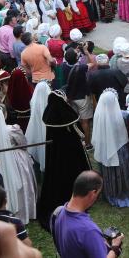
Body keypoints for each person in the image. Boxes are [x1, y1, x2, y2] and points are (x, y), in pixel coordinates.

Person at [37, 90, 91, 230]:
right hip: (69, 153)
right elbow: (78, 132)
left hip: (55, 154)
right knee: (71, 174)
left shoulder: (50, 115)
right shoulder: (66, 115)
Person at [53, 171, 125, 258]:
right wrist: (115, 248)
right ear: (93, 193)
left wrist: (97, 242)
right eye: (98, 193)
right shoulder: (89, 231)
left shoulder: (58, 212)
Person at [91, 89, 129, 208]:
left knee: (110, 171)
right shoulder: (124, 115)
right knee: (125, 171)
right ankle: (127, 192)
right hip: (122, 149)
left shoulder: (99, 115)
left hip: (106, 148)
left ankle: (112, 193)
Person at [0, 107, 37, 225]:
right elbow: (23, 143)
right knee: (20, 183)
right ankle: (21, 212)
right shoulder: (12, 129)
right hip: (15, 159)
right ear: (4, 115)